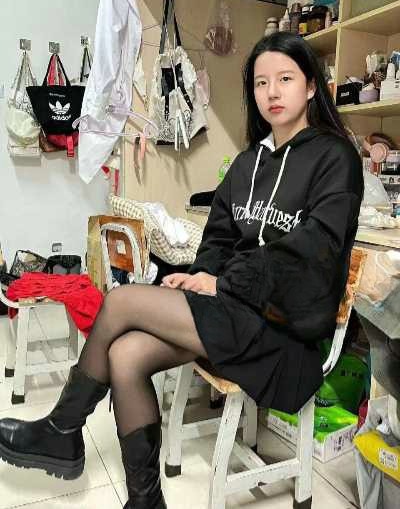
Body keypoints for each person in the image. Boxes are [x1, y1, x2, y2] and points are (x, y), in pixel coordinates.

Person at [0, 32, 363, 509]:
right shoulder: (248, 163)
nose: (272, 92)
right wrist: (201, 273)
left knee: (122, 300)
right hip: (233, 311)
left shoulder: (335, 158)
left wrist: (224, 281)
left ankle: (62, 428)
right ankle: (144, 500)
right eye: (260, 83)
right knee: (125, 354)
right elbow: (218, 238)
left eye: (285, 79)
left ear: (311, 86)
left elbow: (315, 251)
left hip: (284, 332)